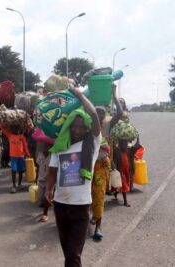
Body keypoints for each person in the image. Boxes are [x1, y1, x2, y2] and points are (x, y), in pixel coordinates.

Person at [45, 86, 101, 267]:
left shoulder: (91, 145)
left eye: (81, 127)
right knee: (69, 253)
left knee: (73, 254)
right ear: (68, 126)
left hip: (81, 206)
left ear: (86, 129)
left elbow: (93, 115)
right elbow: (52, 171)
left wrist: (78, 94)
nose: (77, 130)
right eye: (74, 126)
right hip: (61, 205)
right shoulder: (60, 147)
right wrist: (48, 189)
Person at [91, 85, 123, 240]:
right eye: (96, 112)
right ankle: (93, 215)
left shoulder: (107, 126)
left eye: (102, 113)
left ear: (105, 116)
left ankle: (98, 226)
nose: (99, 115)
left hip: (101, 165)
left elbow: (120, 113)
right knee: (87, 195)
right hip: (86, 165)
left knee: (99, 194)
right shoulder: (86, 126)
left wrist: (113, 94)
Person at [0, 125, 30, 193]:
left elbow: (25, 146)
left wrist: (27, 154)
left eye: (17, 129)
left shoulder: (21, 137)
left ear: (19, 130)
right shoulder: (10, 135)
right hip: (13, 157)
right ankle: (14, 186)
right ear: (11, 130)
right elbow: (3, 130)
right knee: (13, 170)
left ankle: (19, 184)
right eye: (14, 129)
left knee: (21, 171)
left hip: (21, 156)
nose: (15, 130)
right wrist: (0, 124)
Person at [113, 137, 141, 207]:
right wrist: (115, 169)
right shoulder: (116, 151)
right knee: (124, 186)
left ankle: (115, 193)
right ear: (120, 144)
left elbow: (137, 145)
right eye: (123, 144)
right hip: (120, 172)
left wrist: (138, 138)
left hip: (127, 172)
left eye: (125, 144)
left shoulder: (129, 151)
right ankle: (125, 201)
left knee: (121, 185)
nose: (124, 145)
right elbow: (114, 160)